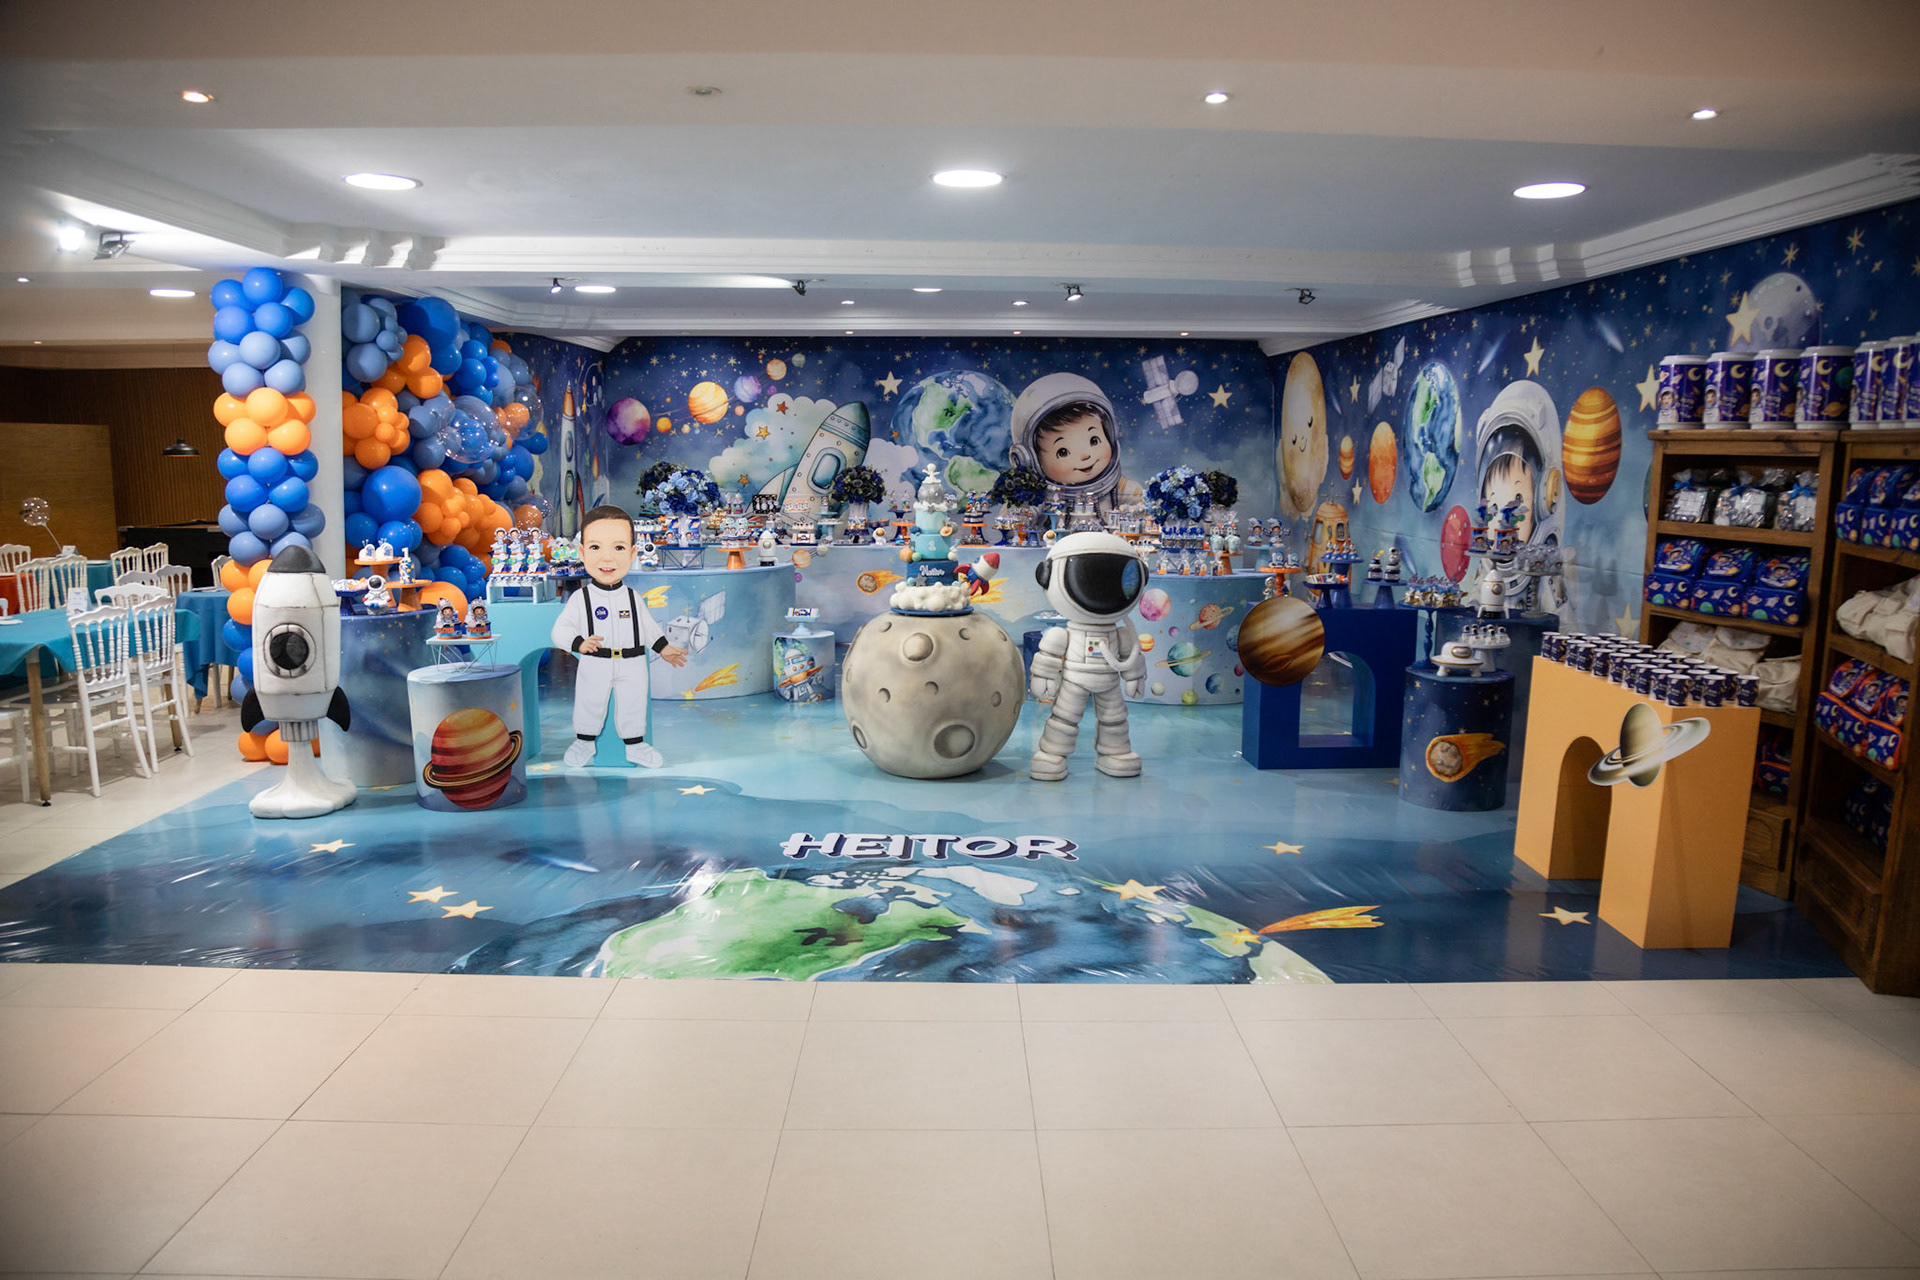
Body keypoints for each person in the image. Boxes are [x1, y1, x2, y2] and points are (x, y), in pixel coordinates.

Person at [550, 505, 688, 768]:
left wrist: (663, 648)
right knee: (590, 700)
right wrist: (579, 643)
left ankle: (635, 746)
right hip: (596, 660)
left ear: (633, 553)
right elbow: (560, 630)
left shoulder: (633, 597)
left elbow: (647, 627)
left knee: (633, 701)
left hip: (632, 661)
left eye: (618, 548)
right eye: (595, 547)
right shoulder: (582, 598)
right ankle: (584, 742)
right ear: (582, 553)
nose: (607, 558)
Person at [1009, 373, 1143, 517]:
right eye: (1063, 452)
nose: (1085, 456)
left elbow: (1141, 509)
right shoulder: (1038, 500)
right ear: (1028, 459)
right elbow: (1017, 519)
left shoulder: (1123, 490)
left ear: (1110, 434)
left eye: (1094, 440)